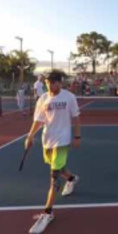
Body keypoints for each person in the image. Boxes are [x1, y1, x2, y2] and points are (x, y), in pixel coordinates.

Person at [25, 71, 81, 234]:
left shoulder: (69, 97)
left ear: (60, 83)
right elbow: (38, 120)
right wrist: (29, 136)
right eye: (48, 81)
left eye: (54, 81)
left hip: (62, 141)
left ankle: (47, 213)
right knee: (58, 167)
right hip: (47, 141)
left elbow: (76, 118)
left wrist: (77, 136)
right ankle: (71, 179)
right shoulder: (42, 99)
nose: (50, 84)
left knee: (54, 176)